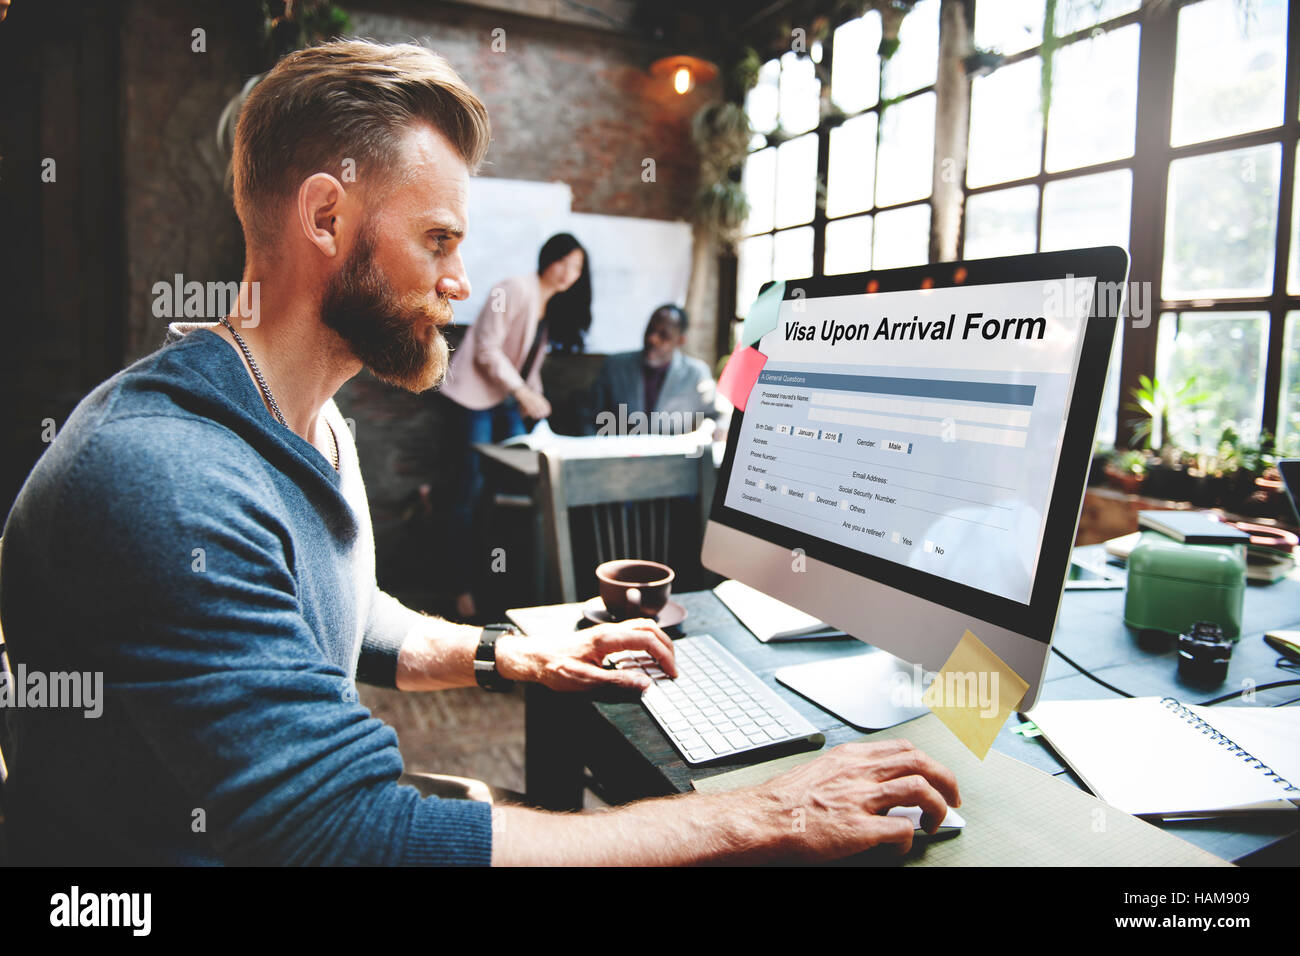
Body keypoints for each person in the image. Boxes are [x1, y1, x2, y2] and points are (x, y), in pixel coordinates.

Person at [0, 39, 959, 866]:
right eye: (439, 239)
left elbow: (346, 615)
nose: (460, 281)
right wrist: (767, 814)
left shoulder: (309, 420)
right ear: (326, 218)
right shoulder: (164, 478)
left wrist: (519, 656)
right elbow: (352, 837)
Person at [439, 233, 589, 620]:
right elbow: (487, 351)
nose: (570, 274)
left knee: (508, 490)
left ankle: (500, 583)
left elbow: (528, 366)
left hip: (504, 400)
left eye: (578, 269)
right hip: (474, 399)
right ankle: (459, 587)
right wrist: (523, 393)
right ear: (548, 258)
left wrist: (536, 402)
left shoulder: (548, 306)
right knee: (469, 490)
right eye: (565, 263)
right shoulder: (513, 289)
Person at [587, 304, 730, 438]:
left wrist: (720, 428)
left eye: (663, 335)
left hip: (672, 460)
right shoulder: (615, 366)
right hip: (617, 458)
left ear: (680, 341)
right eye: (650, 330)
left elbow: (720, 413)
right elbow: (588, 414)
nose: (652, 339)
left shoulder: (695, 374)